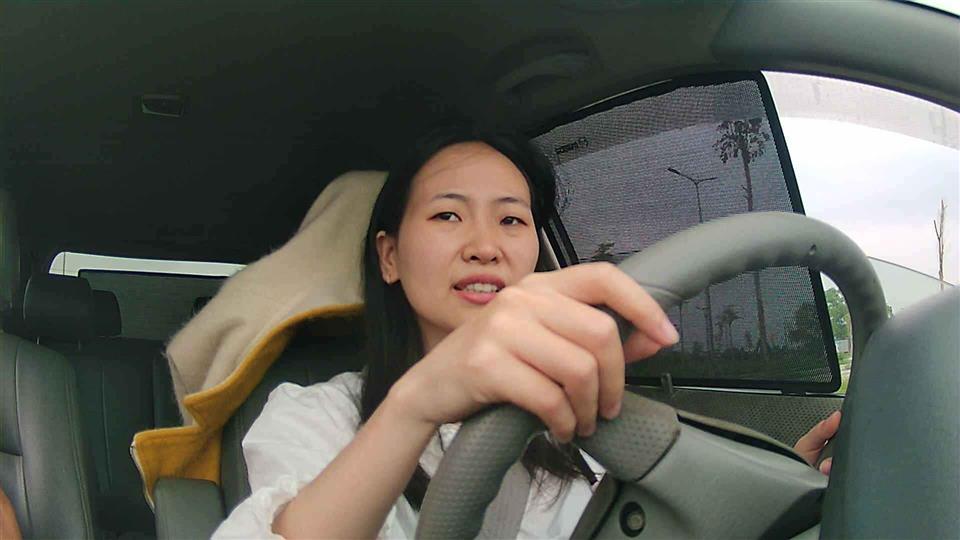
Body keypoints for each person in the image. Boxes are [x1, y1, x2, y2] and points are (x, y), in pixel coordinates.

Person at [213, 125, 839, 539]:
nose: (485, 246)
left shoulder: (580, 417)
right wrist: (417, 402)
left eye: (512, 220)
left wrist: (770, 490)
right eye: (448, 215)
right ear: (390, 256)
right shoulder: (312, 416)